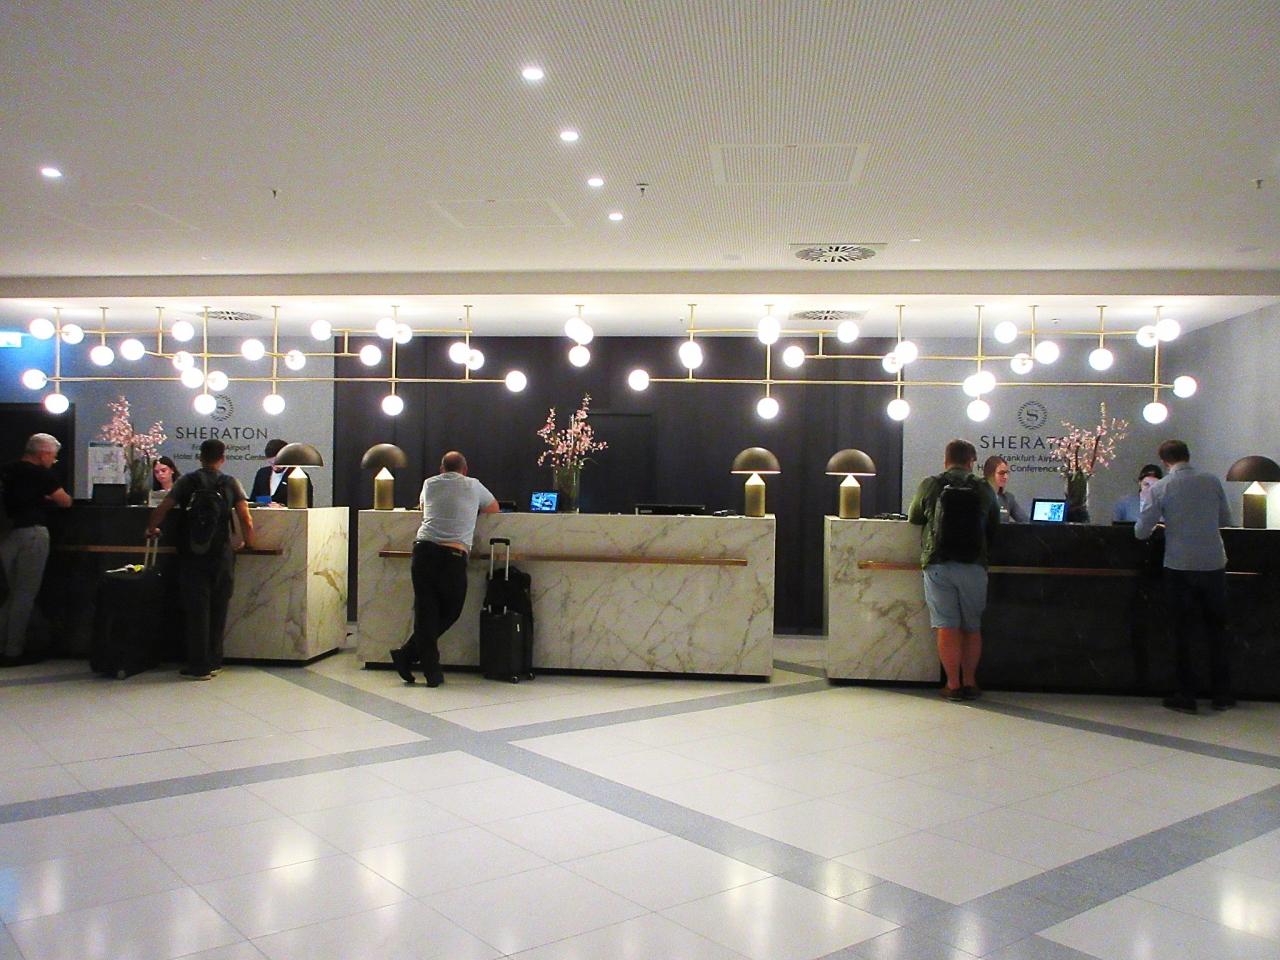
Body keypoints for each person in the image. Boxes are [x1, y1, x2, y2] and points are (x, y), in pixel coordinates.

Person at [1134, 440, 1234, 714]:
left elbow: (1141, 532)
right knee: (1217, 630)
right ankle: (1222, 694)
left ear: (1164, 461)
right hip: (1213, 563)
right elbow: (1226, 519)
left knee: (1182, 632)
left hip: (1180, 565)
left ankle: (1186, 695)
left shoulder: (1162, 487)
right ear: (1188, 456)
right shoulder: (1211, 481)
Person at [147, 438, 254, 680]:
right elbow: (245, 519)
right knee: (219, 608)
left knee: (197, 611)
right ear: (222, 458)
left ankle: (198, 665)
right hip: (221, 554)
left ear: (200, 457)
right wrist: (248, 542)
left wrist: (151, 528)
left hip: (193, 555)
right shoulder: (230, 483)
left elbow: (163, 508)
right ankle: (214, 661)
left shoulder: (187, 481)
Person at [390, 450, 498, 686]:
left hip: (423, 551)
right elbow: (494, 509)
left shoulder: (429, 484)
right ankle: (419, 663)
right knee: (451, 611)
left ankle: (419, 663)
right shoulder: (473, 485)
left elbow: (422, 507)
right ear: (465, 470)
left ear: (441, 469)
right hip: (452, 556)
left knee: (426, 612)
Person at [908, 439, 1002, 701]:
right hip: (973, 565)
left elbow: (914, 517)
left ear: (946, 459)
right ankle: (970, 682)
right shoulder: (983, 487)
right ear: (971, 461)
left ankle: (952, 685)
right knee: (972, 626)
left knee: (946, 626)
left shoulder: (931, 484)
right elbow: (994, 524)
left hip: (939, 563)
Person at [0, 434, 72, 665]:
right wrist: (46, 498)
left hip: (6, 535)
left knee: (12, 594)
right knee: (25, 594)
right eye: (53, 456)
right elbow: (65, 501)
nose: (53, 461)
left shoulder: (7, 470)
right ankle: (13, 650)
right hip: (32, 534)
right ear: (43, 454)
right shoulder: (41, 474)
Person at [249, 438, 313, 507]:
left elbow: (306, 505)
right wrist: (265, 504)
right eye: (271, 463)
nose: (274, 467)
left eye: (277, 464)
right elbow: (253, 500)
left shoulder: (299, 477)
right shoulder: (262, 474)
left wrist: (282, 507)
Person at [982, 455, 1028, 523]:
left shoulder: (1008, 498)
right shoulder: (976, 495)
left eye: (1007, 473)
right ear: (989, 474)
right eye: (1002, 473)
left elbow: (1026, 522)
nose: (1005, 477)